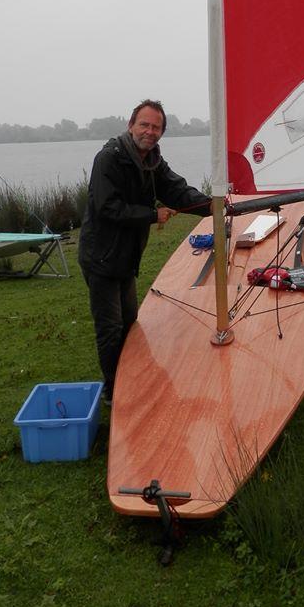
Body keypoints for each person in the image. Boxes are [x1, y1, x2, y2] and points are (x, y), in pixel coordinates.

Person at [78, 99, 211, 404]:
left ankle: (131, 377)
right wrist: (153, 216)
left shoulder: (153, 161)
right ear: (131, 125)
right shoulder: (108, 159)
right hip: (100, 256)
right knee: (110, 328)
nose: (150, 132)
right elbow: (107, 207)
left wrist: (213, 207)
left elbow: (177, 190)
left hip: (126, 257)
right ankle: (114, 391)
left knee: (130, 321)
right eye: (145, 125)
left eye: (156, 127)